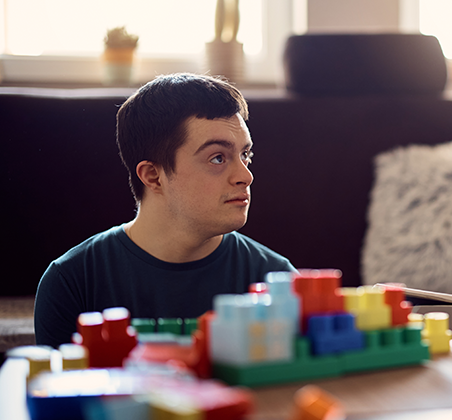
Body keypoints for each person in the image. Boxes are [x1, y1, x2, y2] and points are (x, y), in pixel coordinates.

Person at [35, 73, 295, 348]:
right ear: (153, 176)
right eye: (218, 158)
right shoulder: (72, 283)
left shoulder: (277, 282)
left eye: (245, 155)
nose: (245, 176)